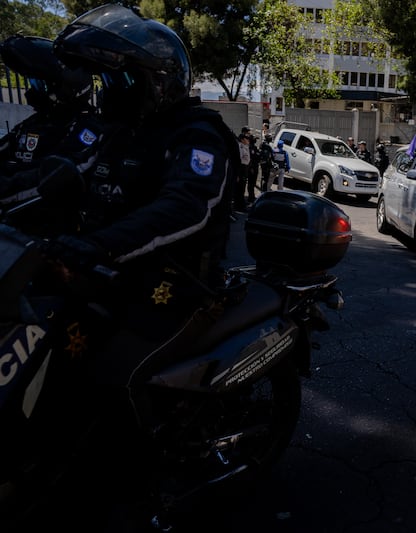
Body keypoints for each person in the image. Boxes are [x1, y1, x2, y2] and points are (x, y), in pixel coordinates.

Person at [50, 3, 239, 388]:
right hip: (111, 275)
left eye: (118, 82)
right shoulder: (122, 131)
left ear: (157, 81)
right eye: (104, 82)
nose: (107, 94)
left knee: (111, 380)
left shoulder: (197, 134)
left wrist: (99, 246)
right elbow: (71, 174)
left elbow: (186, 206)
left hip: (172, 285)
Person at [0, 35, 98, 206]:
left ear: (67, 88)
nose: (33, 91)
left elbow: (54, 174)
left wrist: (7, 183)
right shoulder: (35, 122)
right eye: (33, 84)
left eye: (41, 85)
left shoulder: (86, 127)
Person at [233, 132, 251, 212]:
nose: (248, 140)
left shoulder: (245, 146)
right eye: (247, 139)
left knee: (242, 188)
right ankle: (239, 206)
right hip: (241, 168)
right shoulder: (240, 147)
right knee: (240, 189)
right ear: (243, 140)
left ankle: (240, 204)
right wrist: (237, 174)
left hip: (245, 168)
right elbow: (238, 161)